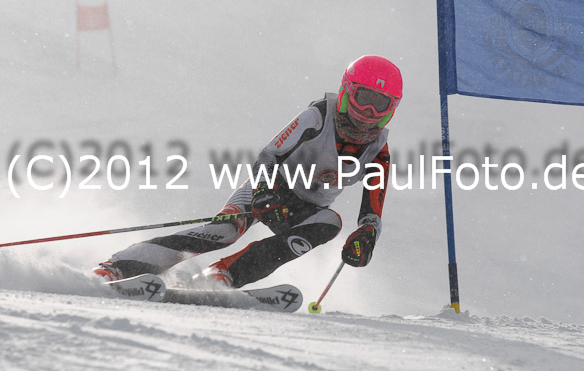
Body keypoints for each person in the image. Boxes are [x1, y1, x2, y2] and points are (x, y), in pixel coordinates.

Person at [94, 55, 403, 288]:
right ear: (347, 90)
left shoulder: (379, 152)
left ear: (392, 108)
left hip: (303, 209)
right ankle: (119, 266)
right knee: (223, 232)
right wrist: (264, 190)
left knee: (330, 222)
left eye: (381, 104)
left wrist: (366, 238)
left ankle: (223, 275)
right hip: (268, 189)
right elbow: (270, 154)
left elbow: (371, 214)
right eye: (364, 99)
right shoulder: (318, 117)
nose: (369, 113)